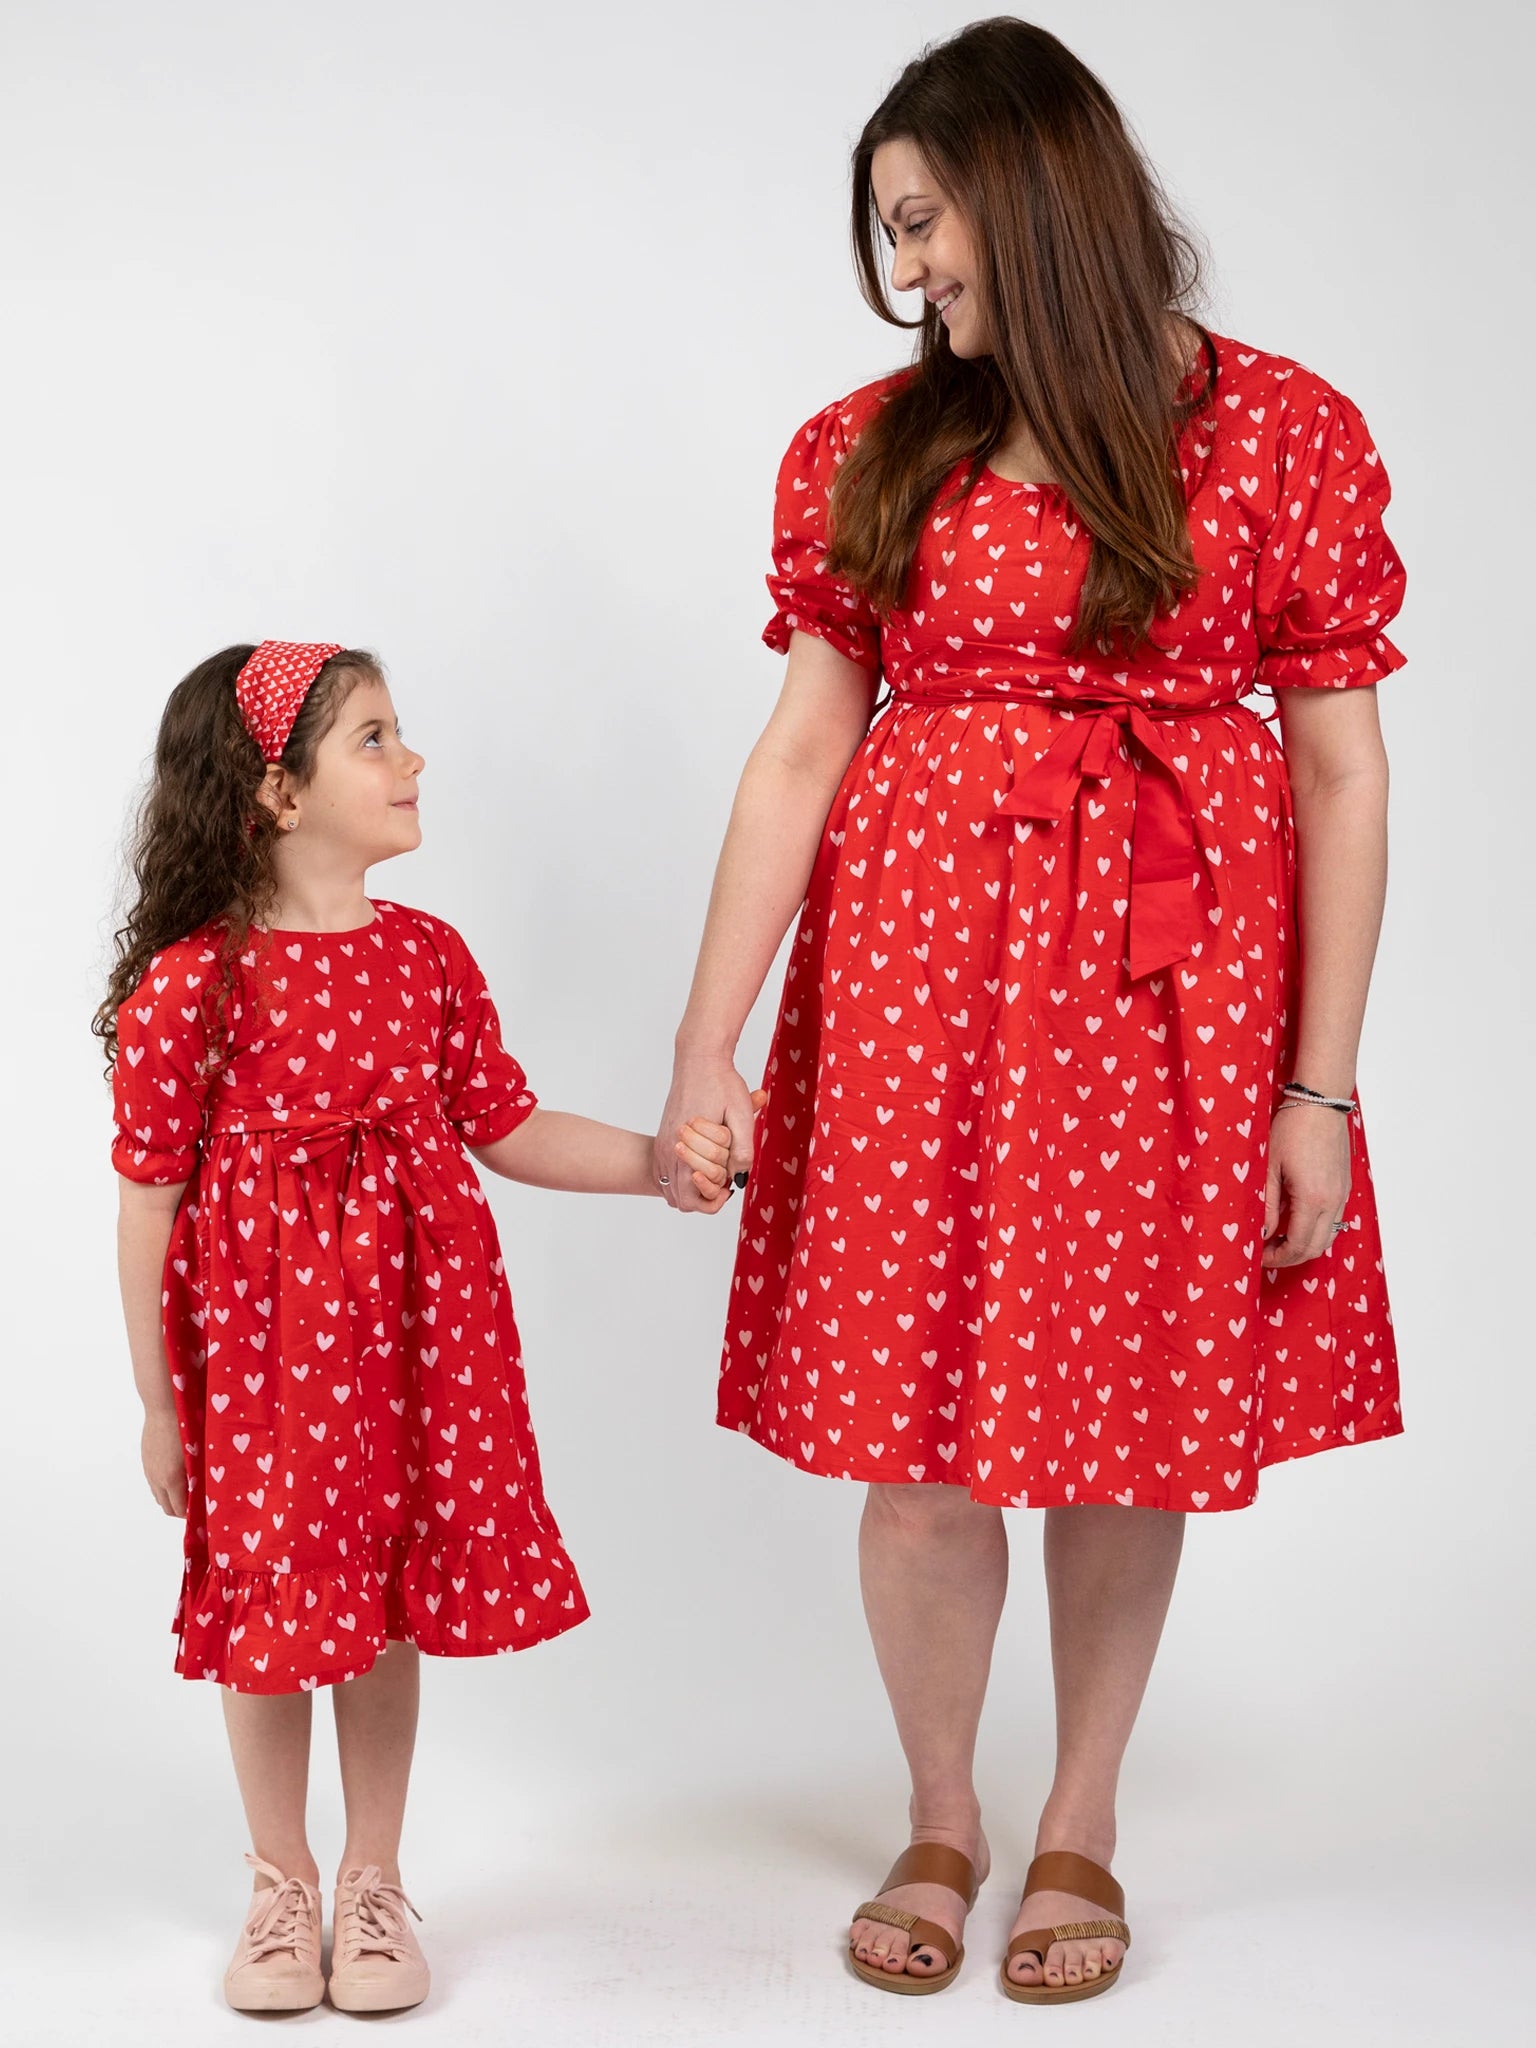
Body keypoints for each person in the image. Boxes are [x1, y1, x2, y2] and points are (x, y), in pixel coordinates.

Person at [655, 16, 1406, 2007]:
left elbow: (1340, 773)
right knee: (916, 1442)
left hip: (1175, 1005)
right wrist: (707, 1040)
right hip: (920, 996)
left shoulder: (1283, 434)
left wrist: (1321, 1089)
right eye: (890, 235)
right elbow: (801, 750)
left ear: (1030, 187)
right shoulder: (872, 445)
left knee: (1127, 1429)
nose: (905, 270)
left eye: (920, 220)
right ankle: (942, 1813)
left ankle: (1078, 1814)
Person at [98, 640, 735, 2013]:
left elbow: (506, 1124)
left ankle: (373, 1881)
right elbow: (148, 1205)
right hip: (265, 1373)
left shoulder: (425, 958)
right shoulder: (192, 988)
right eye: (375, 739)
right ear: (276, 792)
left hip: (412, 1350)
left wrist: (653, 1164)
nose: (413, 760)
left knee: (383, 1604)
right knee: (272, 1604)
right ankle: (280, 1886)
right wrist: (159, 1402)